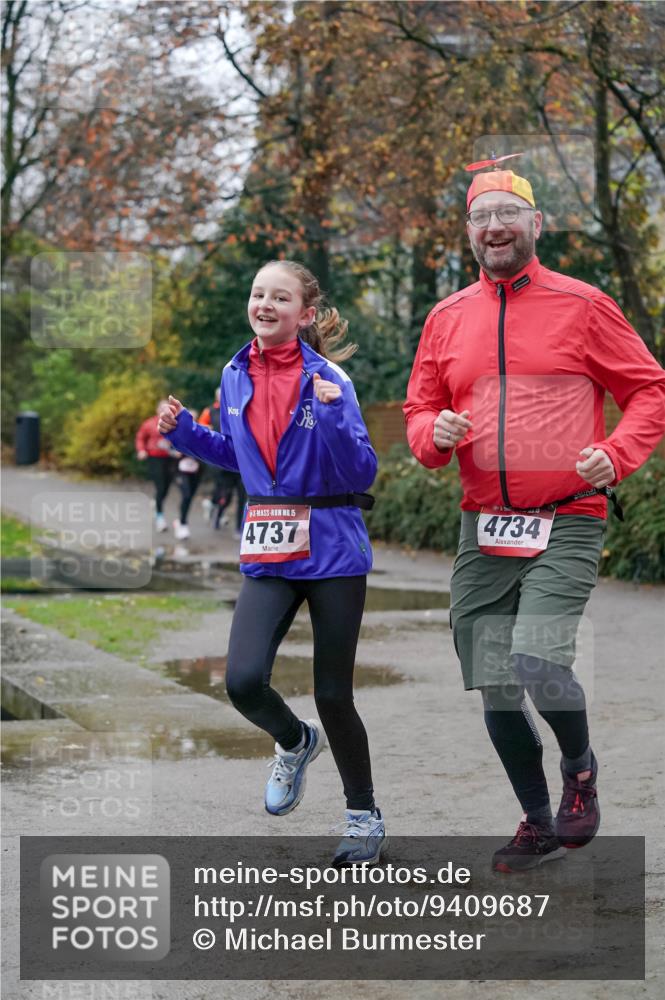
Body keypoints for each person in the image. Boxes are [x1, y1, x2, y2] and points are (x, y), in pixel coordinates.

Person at [404, 163, 665, 873]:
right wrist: (436, 435)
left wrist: (615, 454)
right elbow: (418, 411)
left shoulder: (583, 305)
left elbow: (647, 390)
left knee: (536, 658)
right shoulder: (447, 316)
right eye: (481, 216)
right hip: (483, 524)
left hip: (567, 515)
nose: (494, 227)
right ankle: (536, 820)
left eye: (507, 215)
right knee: (494, 680)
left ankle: (578, 768)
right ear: (468, 231)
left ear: (535, 225)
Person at [157, 260, 386, 865]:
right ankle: (294, 741)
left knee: (334, 693)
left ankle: (363, 817)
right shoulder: (235, 372)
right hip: (269, 545)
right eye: (257, 293)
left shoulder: (329, 376)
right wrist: (183, 433)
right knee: (241, 680)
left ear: (304, 313)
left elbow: (363, 471)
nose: (264, 304)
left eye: (279, 297)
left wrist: (333, 413)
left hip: (334, 546)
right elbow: (240, 454)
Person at [200, 389, 246, 533]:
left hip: (241, 460)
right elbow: (200, 428)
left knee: (242, 497)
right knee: (224, 494)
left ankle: (239, 528)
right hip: (220, 459)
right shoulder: (210, 411)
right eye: (220, 395)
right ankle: (216, 514)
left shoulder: (238, 407)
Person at [135, 400, 178, 532]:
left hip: (170, 458)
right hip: (155, 458)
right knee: (160, 486)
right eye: (161, 408)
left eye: (167, 408)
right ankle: (160, 517)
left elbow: (180, 439)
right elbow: (140, 437)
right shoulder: (149, 423)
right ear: (157, 410)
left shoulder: (174, 423)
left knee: (166, 486)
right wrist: (141, 450)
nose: (164, 410)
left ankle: (157, 502)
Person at [173, 409, 203, 540]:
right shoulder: (178, 432)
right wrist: (177, 452)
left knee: (190, 496)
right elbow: (171, 449)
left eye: (194, 418)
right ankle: (182, 523)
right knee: (186, 495)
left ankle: (181, 521)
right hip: (180, 470)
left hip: (195, 471)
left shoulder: (200, 432)